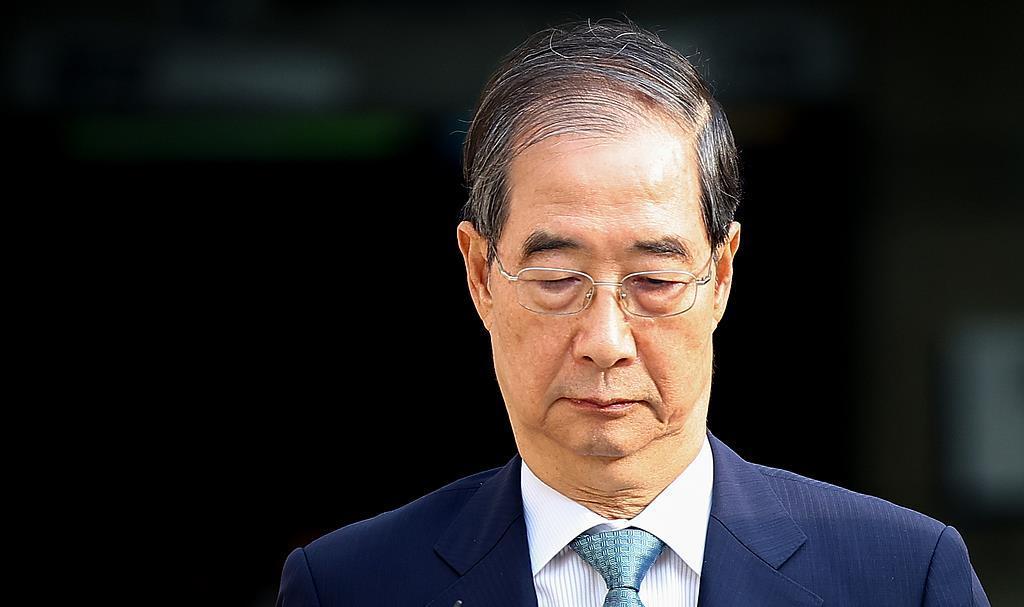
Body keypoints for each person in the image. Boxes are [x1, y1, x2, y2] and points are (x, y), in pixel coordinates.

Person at [276, 18, 989, 606]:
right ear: (480, 274)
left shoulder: (903, 576)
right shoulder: (348, 585)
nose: (606, 340)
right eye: (558, 278)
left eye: (653, 278)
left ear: (721, 274)